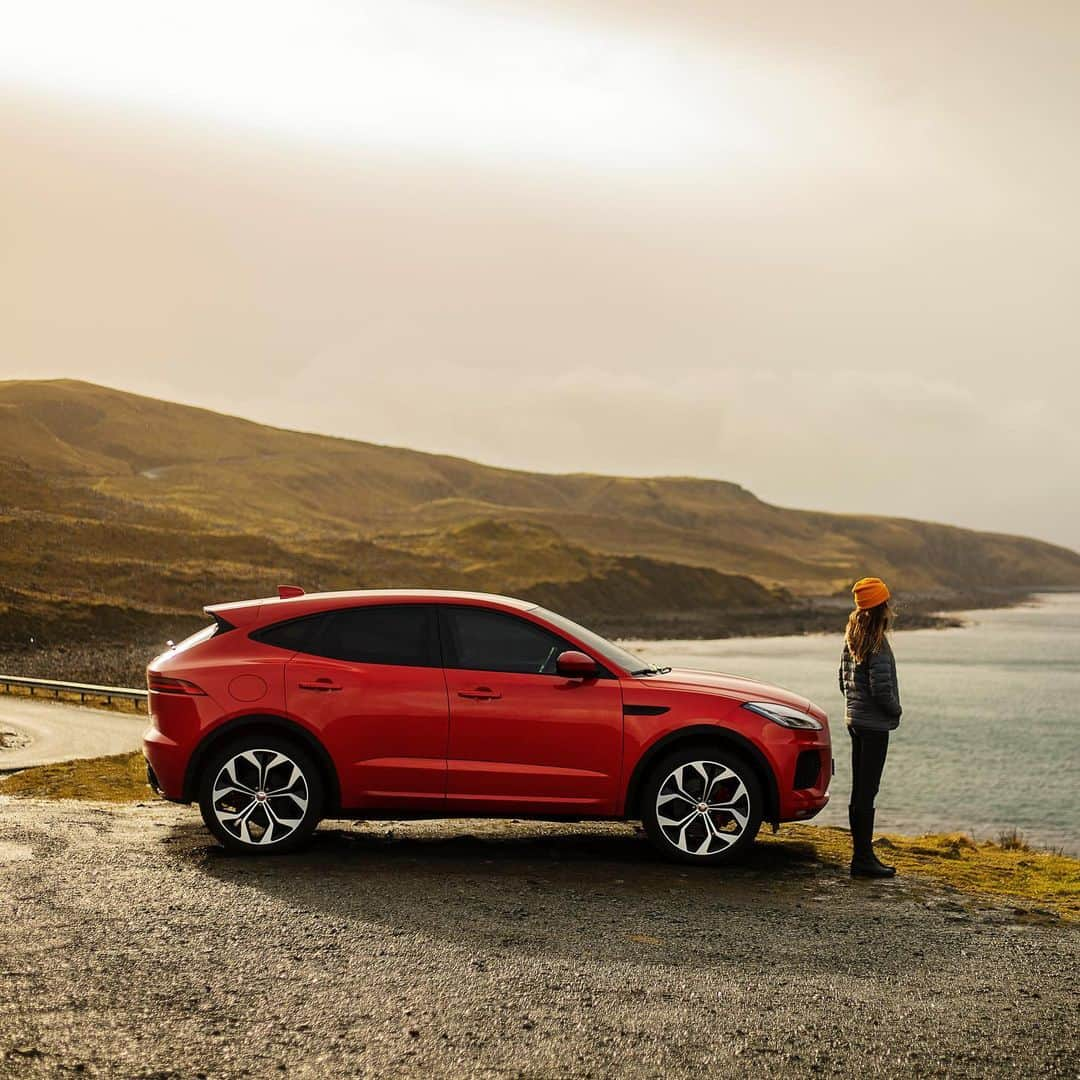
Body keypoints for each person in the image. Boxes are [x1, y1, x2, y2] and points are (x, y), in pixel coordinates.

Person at [838, 576, 902, 877]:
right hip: (874, 725)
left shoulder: (852, 635)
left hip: (856, 720)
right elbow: (881, 688)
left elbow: (842, 679)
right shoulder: (877, 640)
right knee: (868, 790)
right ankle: (862, 860)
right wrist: (895, 709)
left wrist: (854, 707)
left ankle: (861, 856)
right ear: (881, 607)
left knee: (859, 790)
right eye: (887, 603)